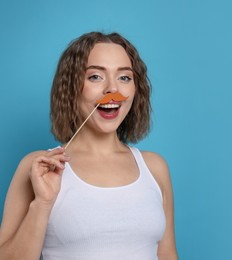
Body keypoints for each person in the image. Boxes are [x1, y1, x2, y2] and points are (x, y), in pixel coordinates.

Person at [0, 32, 178, 260]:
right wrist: (42, 204)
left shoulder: (155, 168)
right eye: (95, 76)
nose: (112, 90)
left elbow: (168, 255)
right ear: (71, 86)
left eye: (124, 77)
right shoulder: (40, 167)